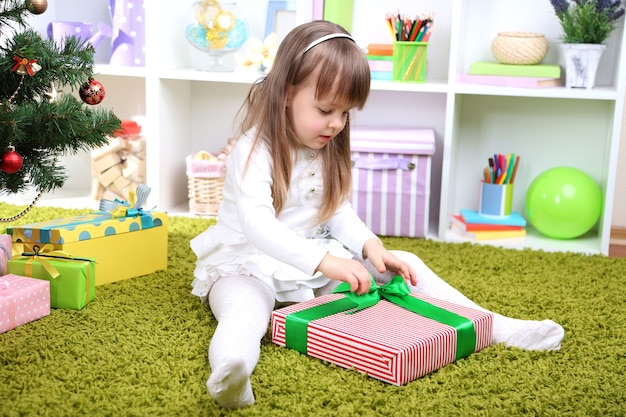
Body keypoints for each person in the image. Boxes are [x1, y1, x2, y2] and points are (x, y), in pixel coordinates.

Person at [190, 20, 564, 409]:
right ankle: (233, 371)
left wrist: (370, 246)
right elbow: (257, 224)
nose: (337, 123)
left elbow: (336, 210)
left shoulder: (325, 145)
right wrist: (326, 261)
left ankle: (494, 325)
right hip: (245, 265)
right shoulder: (254, 149)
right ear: (286, 93)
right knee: (246, 311)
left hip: (310, 267)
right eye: (325, 109)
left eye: (346, 113)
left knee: (403, 266)